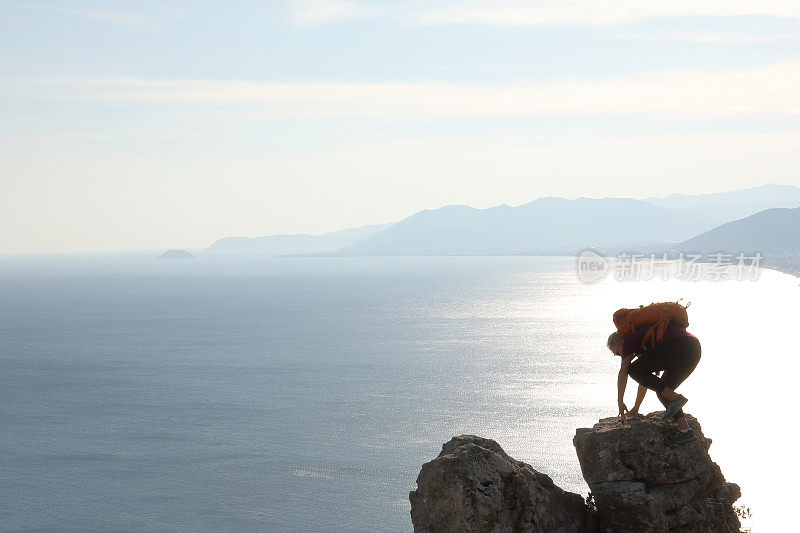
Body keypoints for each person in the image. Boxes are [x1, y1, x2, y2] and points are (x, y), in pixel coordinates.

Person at [606, 324, 701, 443]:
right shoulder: (641, 343)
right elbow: (646, 380)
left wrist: (620, 402)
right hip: (693, 349)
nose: (621, 355)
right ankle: (686, 431)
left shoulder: (628, 341)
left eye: (617, 353)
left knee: (633, 369)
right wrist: (636, 407)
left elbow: (623, 372)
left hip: (680, 345)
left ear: (618, 342)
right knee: (664, 391)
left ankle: (676, 398)